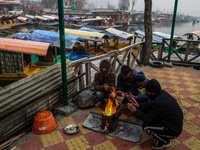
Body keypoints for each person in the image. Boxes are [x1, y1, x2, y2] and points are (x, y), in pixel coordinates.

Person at [127, 79, 183, 149]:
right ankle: (163, 135)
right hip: (171, 123)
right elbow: (151, 106)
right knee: (149, 118)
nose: (147, 93)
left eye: (147, 92)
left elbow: (148, 119)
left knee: (146, 127)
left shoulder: (160, 102)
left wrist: (135, 111)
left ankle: (164, 142)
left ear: (152, 93)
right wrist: (139, 106)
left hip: (173, 130)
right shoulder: (161, 94)